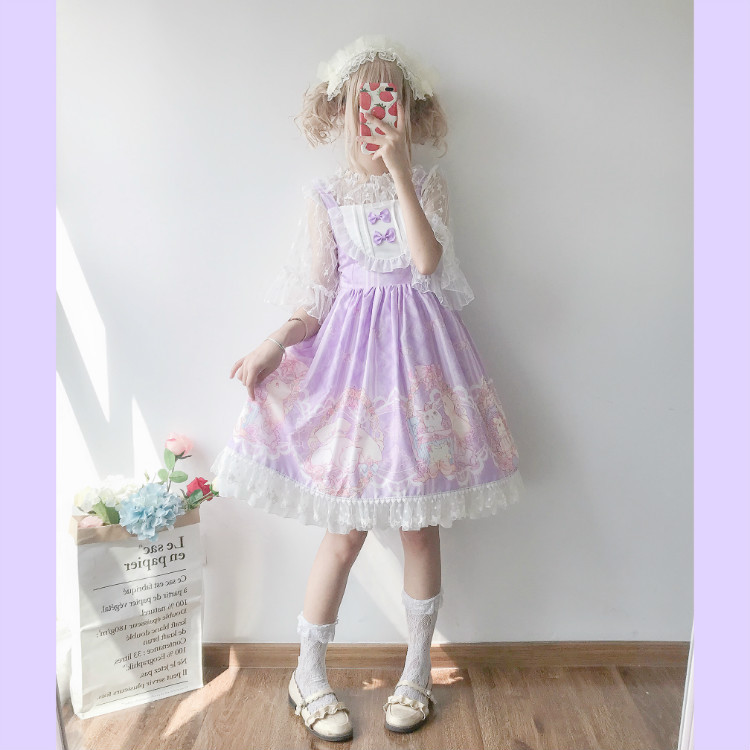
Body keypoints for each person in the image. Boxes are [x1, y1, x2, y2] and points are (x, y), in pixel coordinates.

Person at [210, 35, 524, 742]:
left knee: (419, 526)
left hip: (421, 374)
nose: (375, 115)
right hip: (352, 378)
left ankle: (417, 672)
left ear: (409, 111)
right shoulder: (326, 195)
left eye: (390, 102)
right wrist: (272, 343)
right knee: (346, 530)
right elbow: (316, 298)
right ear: (343, 108)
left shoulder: (429, 184)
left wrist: (403, 173)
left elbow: (426, 262)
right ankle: (307, 672)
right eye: (363, 102)